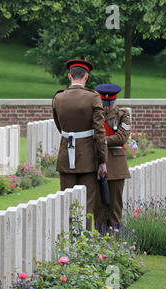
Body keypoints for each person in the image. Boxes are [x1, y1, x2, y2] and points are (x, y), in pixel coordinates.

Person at [52, 59, 108, 231]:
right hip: (87, 158)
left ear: (70, 76)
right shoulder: (93, 98)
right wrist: (103, 160)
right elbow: (99, 132)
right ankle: (86, 241)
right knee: (88, 204)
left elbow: (59, 126)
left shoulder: (58, 98)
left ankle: (68, 240)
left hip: (65, 154)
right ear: (86, 77)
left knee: (67, 202)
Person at [94, 84, 131, 231]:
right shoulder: (95, 114)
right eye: (103, 103)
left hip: (116, 166)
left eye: (109, 104)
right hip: (97, 163)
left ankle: (115, 239)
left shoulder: (123, 115)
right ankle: (100, 238)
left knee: (115, 207)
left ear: (114, 101)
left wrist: (102, 141)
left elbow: (121, 137)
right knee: (99, 208)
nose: (106, 107)